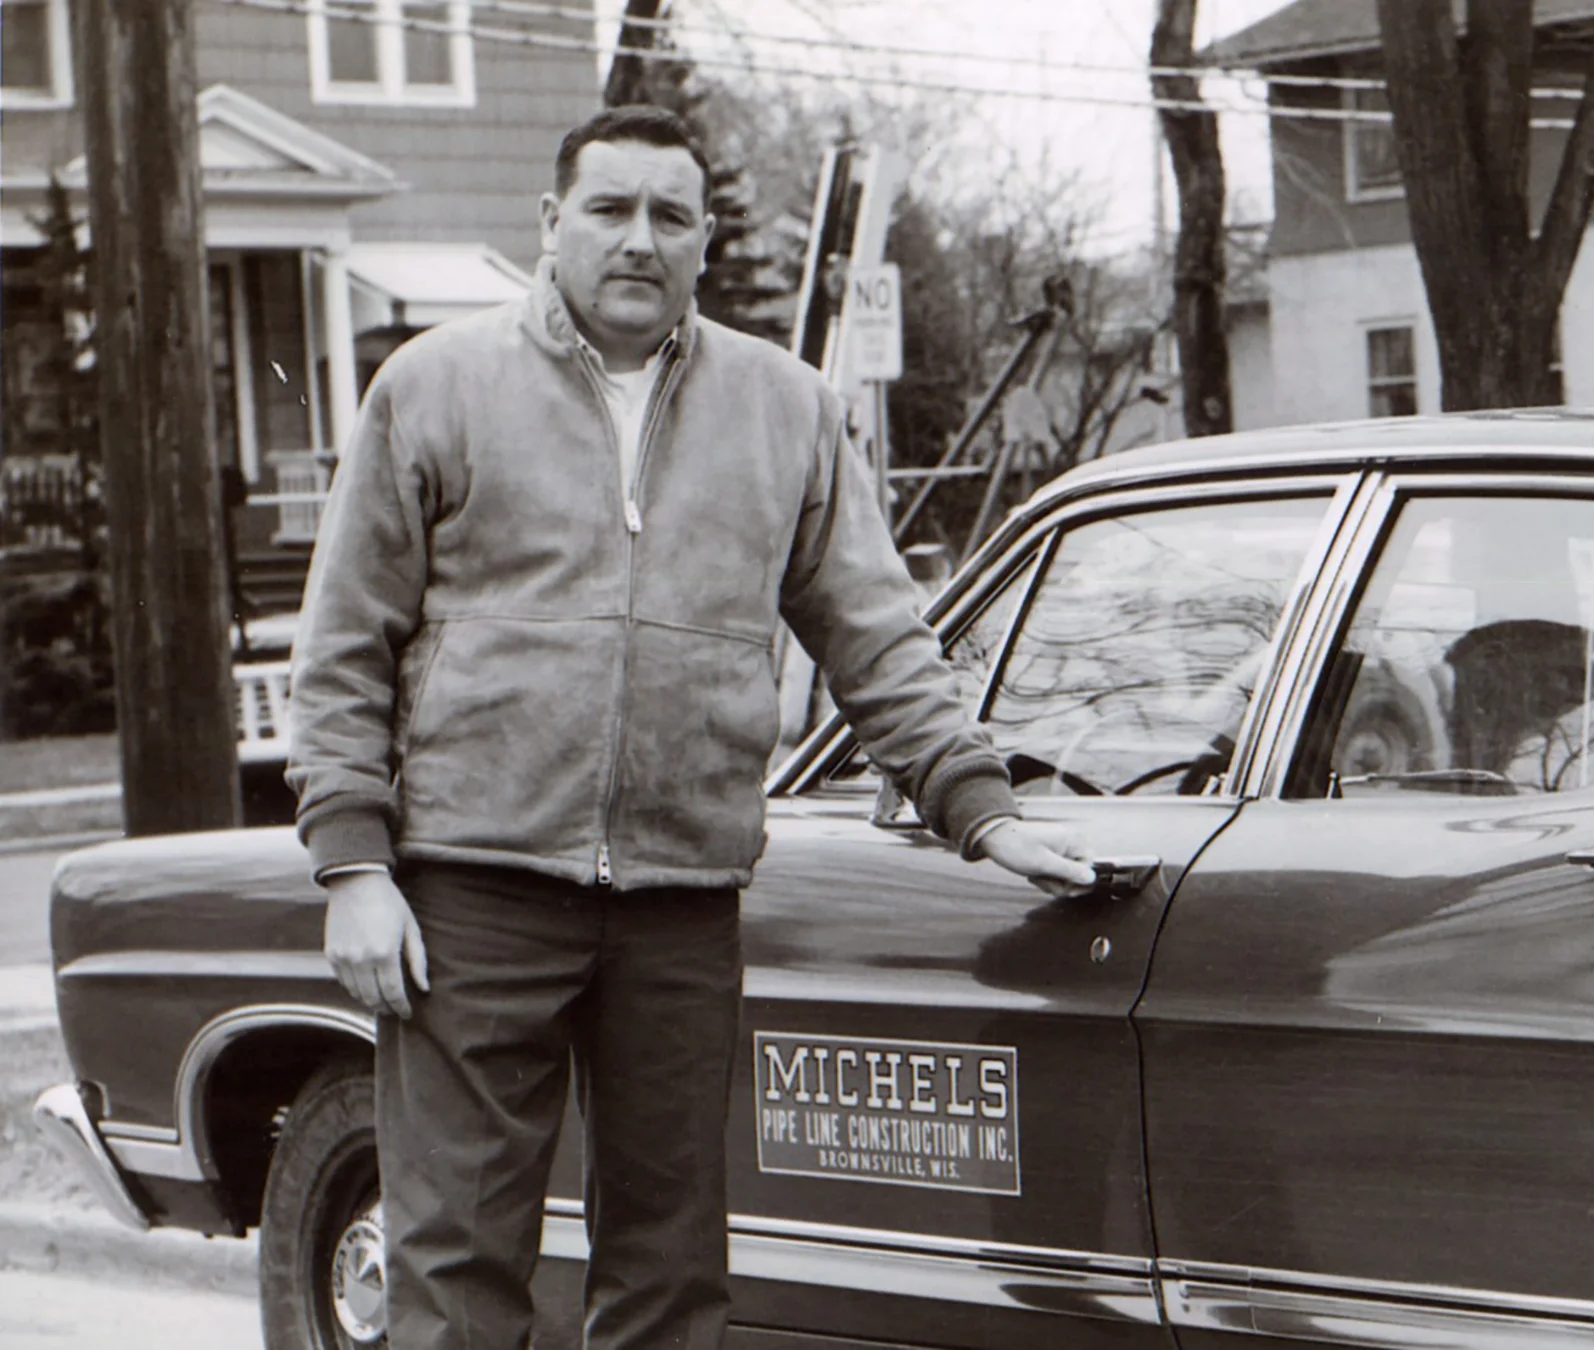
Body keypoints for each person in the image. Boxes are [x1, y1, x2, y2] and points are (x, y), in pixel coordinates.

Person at [284, 104, 1093, 1350]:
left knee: (669, 1269)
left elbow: (875, 633)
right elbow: (345, 641)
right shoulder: (435, 387)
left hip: (680, 899)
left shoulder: (786, 408)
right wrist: (353, 867)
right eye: (609, 209)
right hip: (472, 895)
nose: (639, 239)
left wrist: (979, 807)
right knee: (455, 1263)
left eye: (671, 215)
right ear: (551, 222)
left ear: (705, 240)